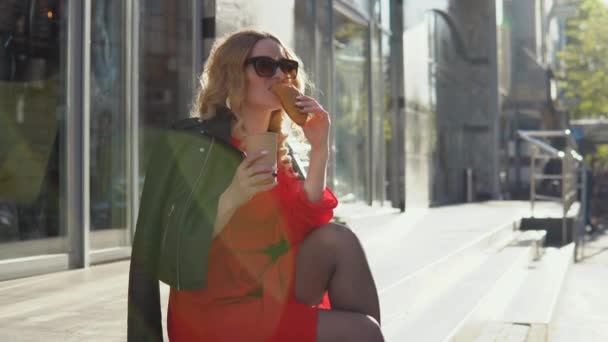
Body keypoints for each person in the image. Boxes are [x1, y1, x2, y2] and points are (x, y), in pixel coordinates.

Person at [128, 28, 384, 342]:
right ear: (233, 74)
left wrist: (320, 149)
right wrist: (234, 194)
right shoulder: (196, 143)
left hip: (269, 292)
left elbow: (309, 228)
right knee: (364, 332)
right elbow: (171, 247)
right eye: (265, 66)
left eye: (286, 68)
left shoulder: (278, 150)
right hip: (214, 309)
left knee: (338, 239)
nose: (279, 76)